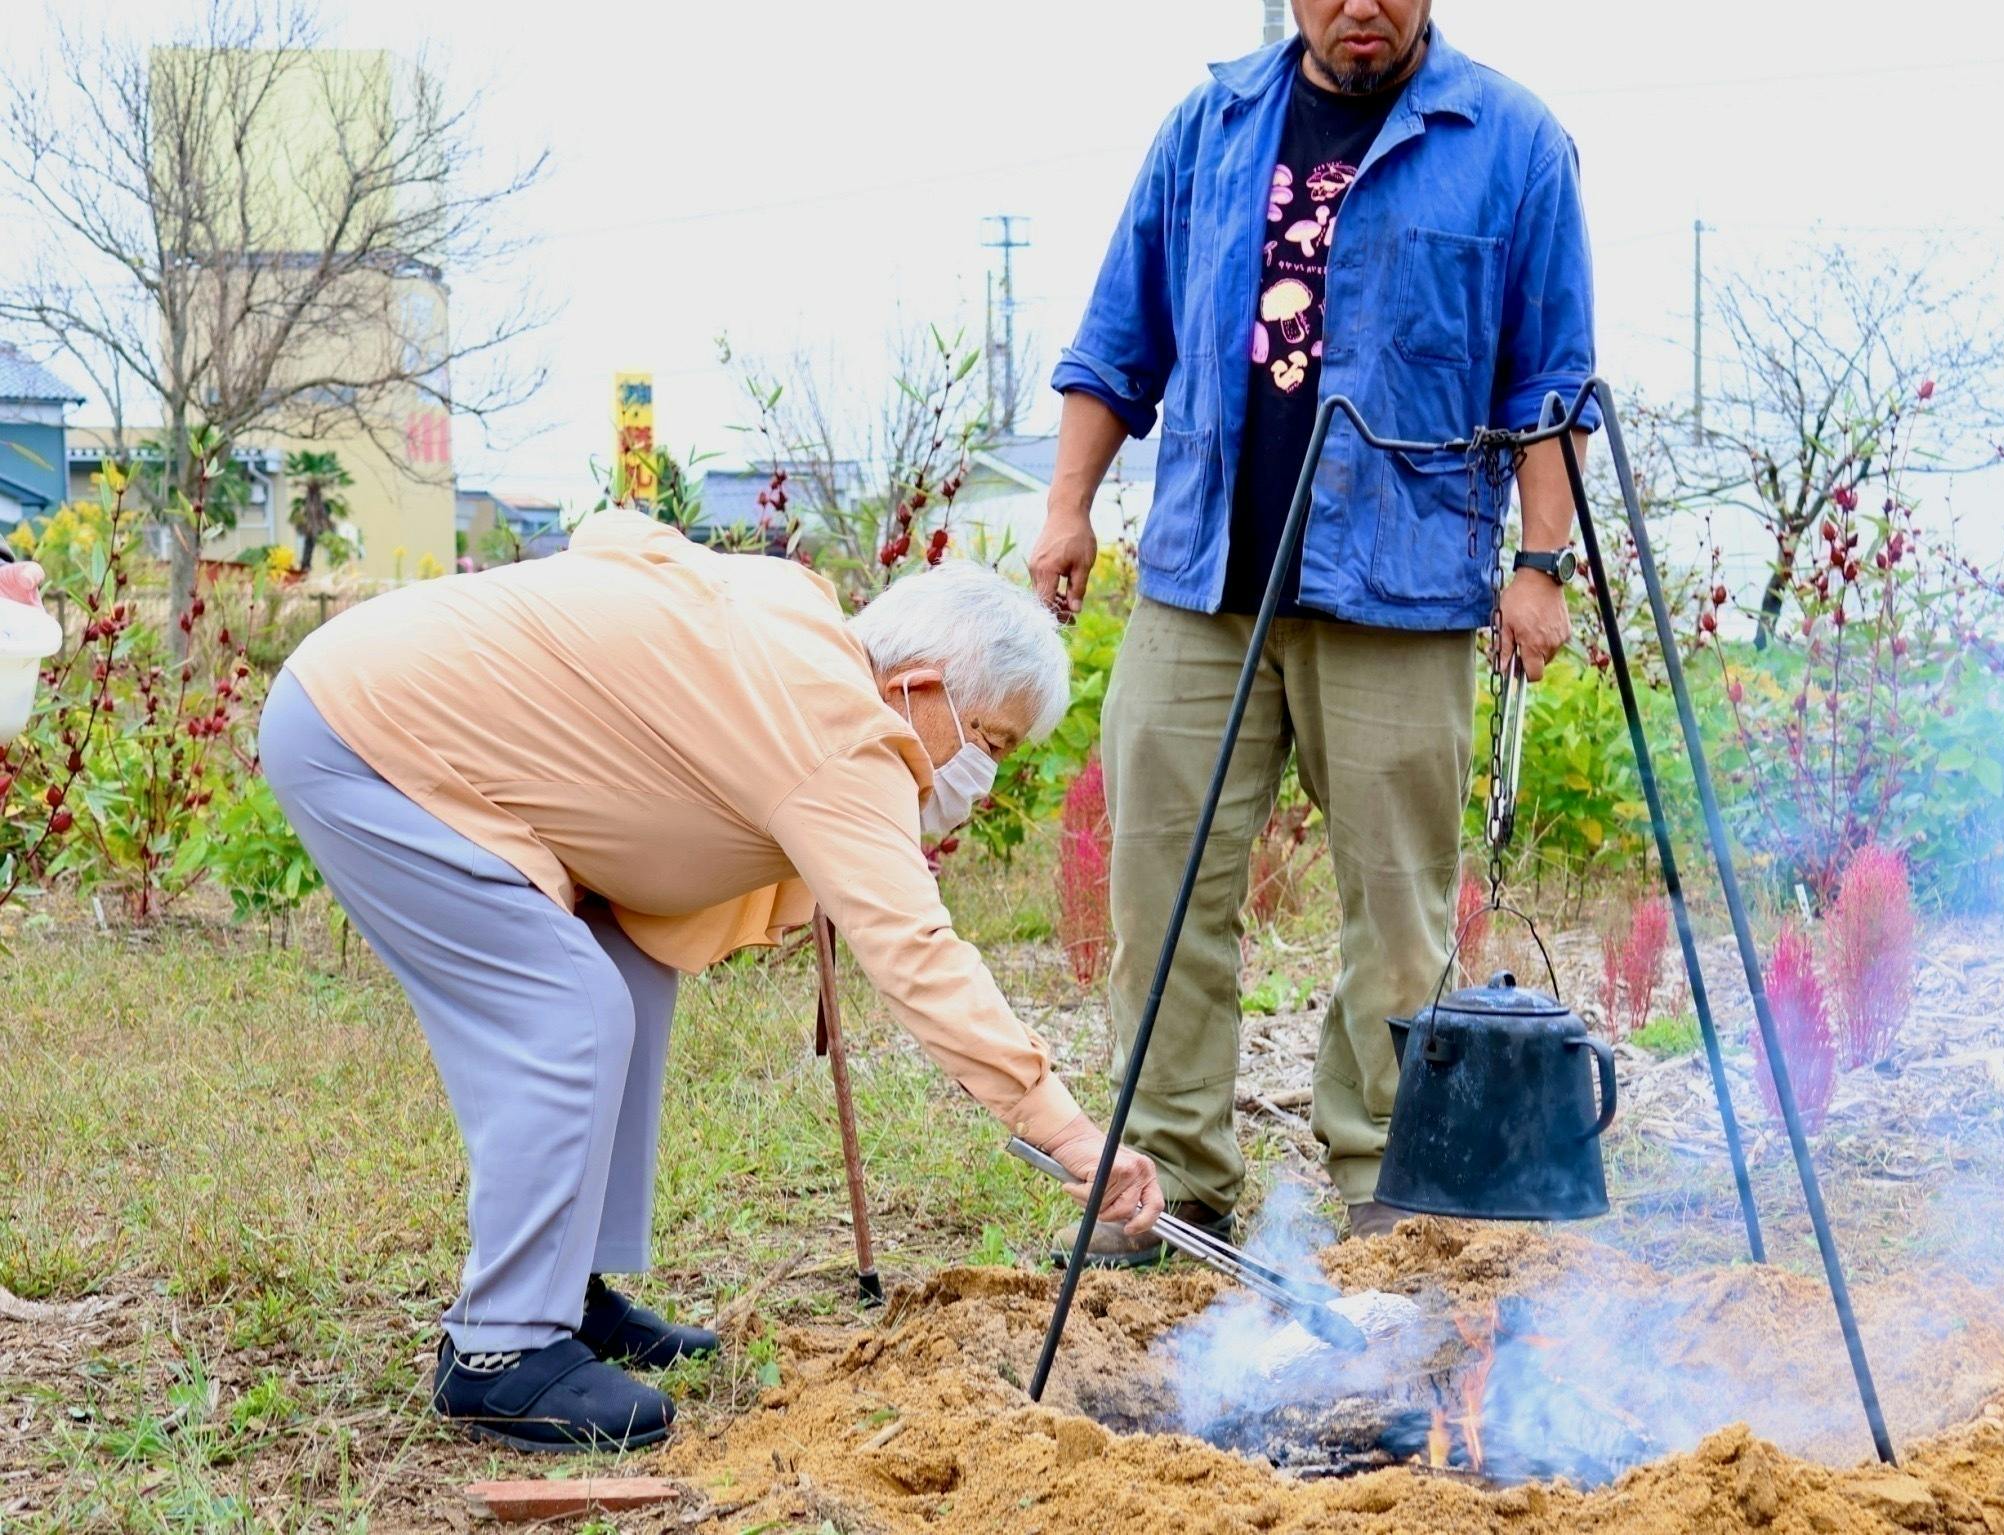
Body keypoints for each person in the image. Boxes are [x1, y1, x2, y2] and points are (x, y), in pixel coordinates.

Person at [261, 507, 1161, 1451]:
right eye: (992, 739)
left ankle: (564, 1291)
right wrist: (1066, 1130)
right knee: (570, 1011)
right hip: (370, 743)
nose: (984, 774)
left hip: (373, 701)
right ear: (919, 686)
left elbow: (621, 539)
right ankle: (502, 1351)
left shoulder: (798, 615)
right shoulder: (839, 730)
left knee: (633, 971)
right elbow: (916, 951)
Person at [1029, 0, 1594, 1264]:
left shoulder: (1511, 142)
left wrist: (1540, 563)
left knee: (1397, 913)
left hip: (1397, 585)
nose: (1361, 10)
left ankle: (1383, 1180)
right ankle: (1167, 1179)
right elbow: (1121, 336)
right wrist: (1066, 507)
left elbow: (1546, 378)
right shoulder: (1211, 125)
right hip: (1200, 581)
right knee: (1163, 897)